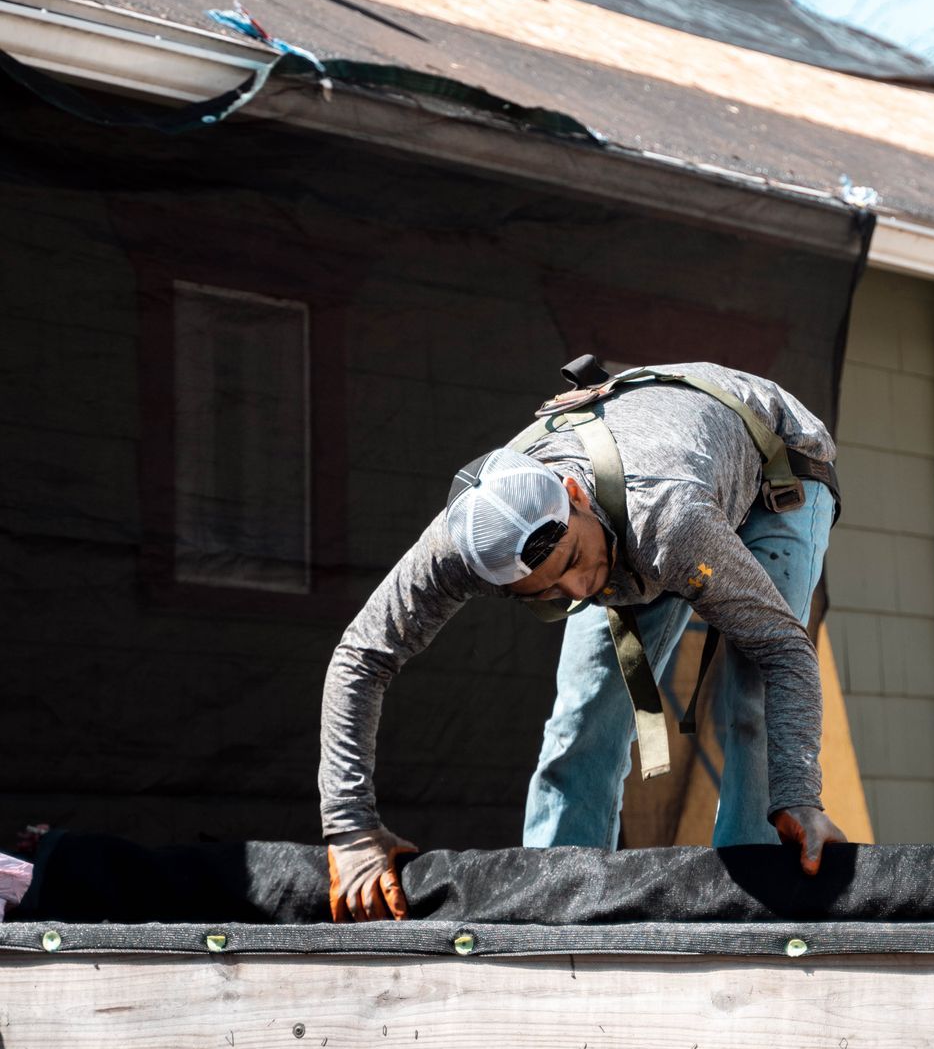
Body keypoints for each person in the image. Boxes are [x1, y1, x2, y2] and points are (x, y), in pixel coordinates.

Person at [317, 361, 846, 923]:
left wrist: (798, 796)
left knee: (754, 703)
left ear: (572, 495)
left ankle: (750, 913)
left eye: (570, 562)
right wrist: (349, 828)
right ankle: (548, 909)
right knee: (583, 717)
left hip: (773, 467)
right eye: (542, 593)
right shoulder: (459, 549)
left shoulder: (666, 522)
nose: (578, 589)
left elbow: (783, 651)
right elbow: (362, 655)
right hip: (644, 507)